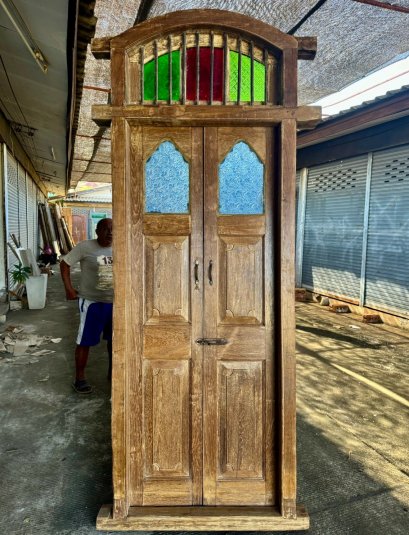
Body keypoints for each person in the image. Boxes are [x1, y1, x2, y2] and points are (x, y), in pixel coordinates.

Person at [60, 218, 113, 393]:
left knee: (115, 342)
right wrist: (69, 289)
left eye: (113, 229)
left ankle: (114, 373)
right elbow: (65, 264)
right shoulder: (85, 247)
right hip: (92, 303)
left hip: (116, 304)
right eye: (105, 229)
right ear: (97, 231)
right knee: (84, 341)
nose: (110, 232)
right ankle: (80, 379)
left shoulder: (122, 246)